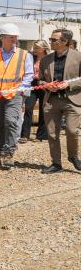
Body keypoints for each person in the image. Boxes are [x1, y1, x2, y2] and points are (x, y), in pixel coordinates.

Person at [0, 23, 34, 170]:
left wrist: (20, 89)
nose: (14, 39)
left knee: (11, 121)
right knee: (0, 125)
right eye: (11, 37)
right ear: (2, 38)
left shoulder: (24, 55)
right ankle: (2, 154)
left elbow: (29, 76)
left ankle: (9, 153)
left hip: (14, 95)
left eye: (15, 37)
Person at [39, 29, 81, 174]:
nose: (50, 42)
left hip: (72, 100)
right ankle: (56, 163)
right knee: (52, 134)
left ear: (65, 42)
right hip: (51, 100)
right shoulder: (45, 60)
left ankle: (73, 156)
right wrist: (46, 84)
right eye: (50, 39)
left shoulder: (79, 57)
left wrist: (69, 84)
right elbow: (39, 79)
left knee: (71, 130)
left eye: (54, 39)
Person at [21, 40, 50, 143]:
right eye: (34, 47)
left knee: (43, 109)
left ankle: (40, 136)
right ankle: (24, 135)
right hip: (32, 84)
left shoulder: (49, 59)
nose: (35, 50)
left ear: (44, 49)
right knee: (28, 107)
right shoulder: (30, 58)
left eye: (37, 48)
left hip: (44, 84)